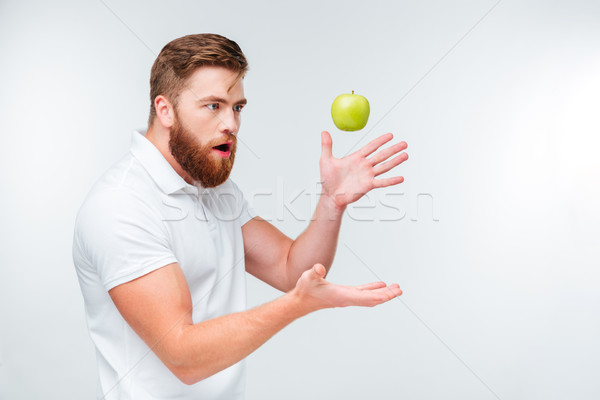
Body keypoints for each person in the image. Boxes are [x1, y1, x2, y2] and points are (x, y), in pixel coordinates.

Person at [72, 33, 409, 400]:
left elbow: (291, 268)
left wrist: (332, 203)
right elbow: (183, 355)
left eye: (237, 107)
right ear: (165, 109)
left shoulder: (213, 188)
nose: (231, 124)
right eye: (213, 106)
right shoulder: (121, 205)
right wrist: (297, 304)